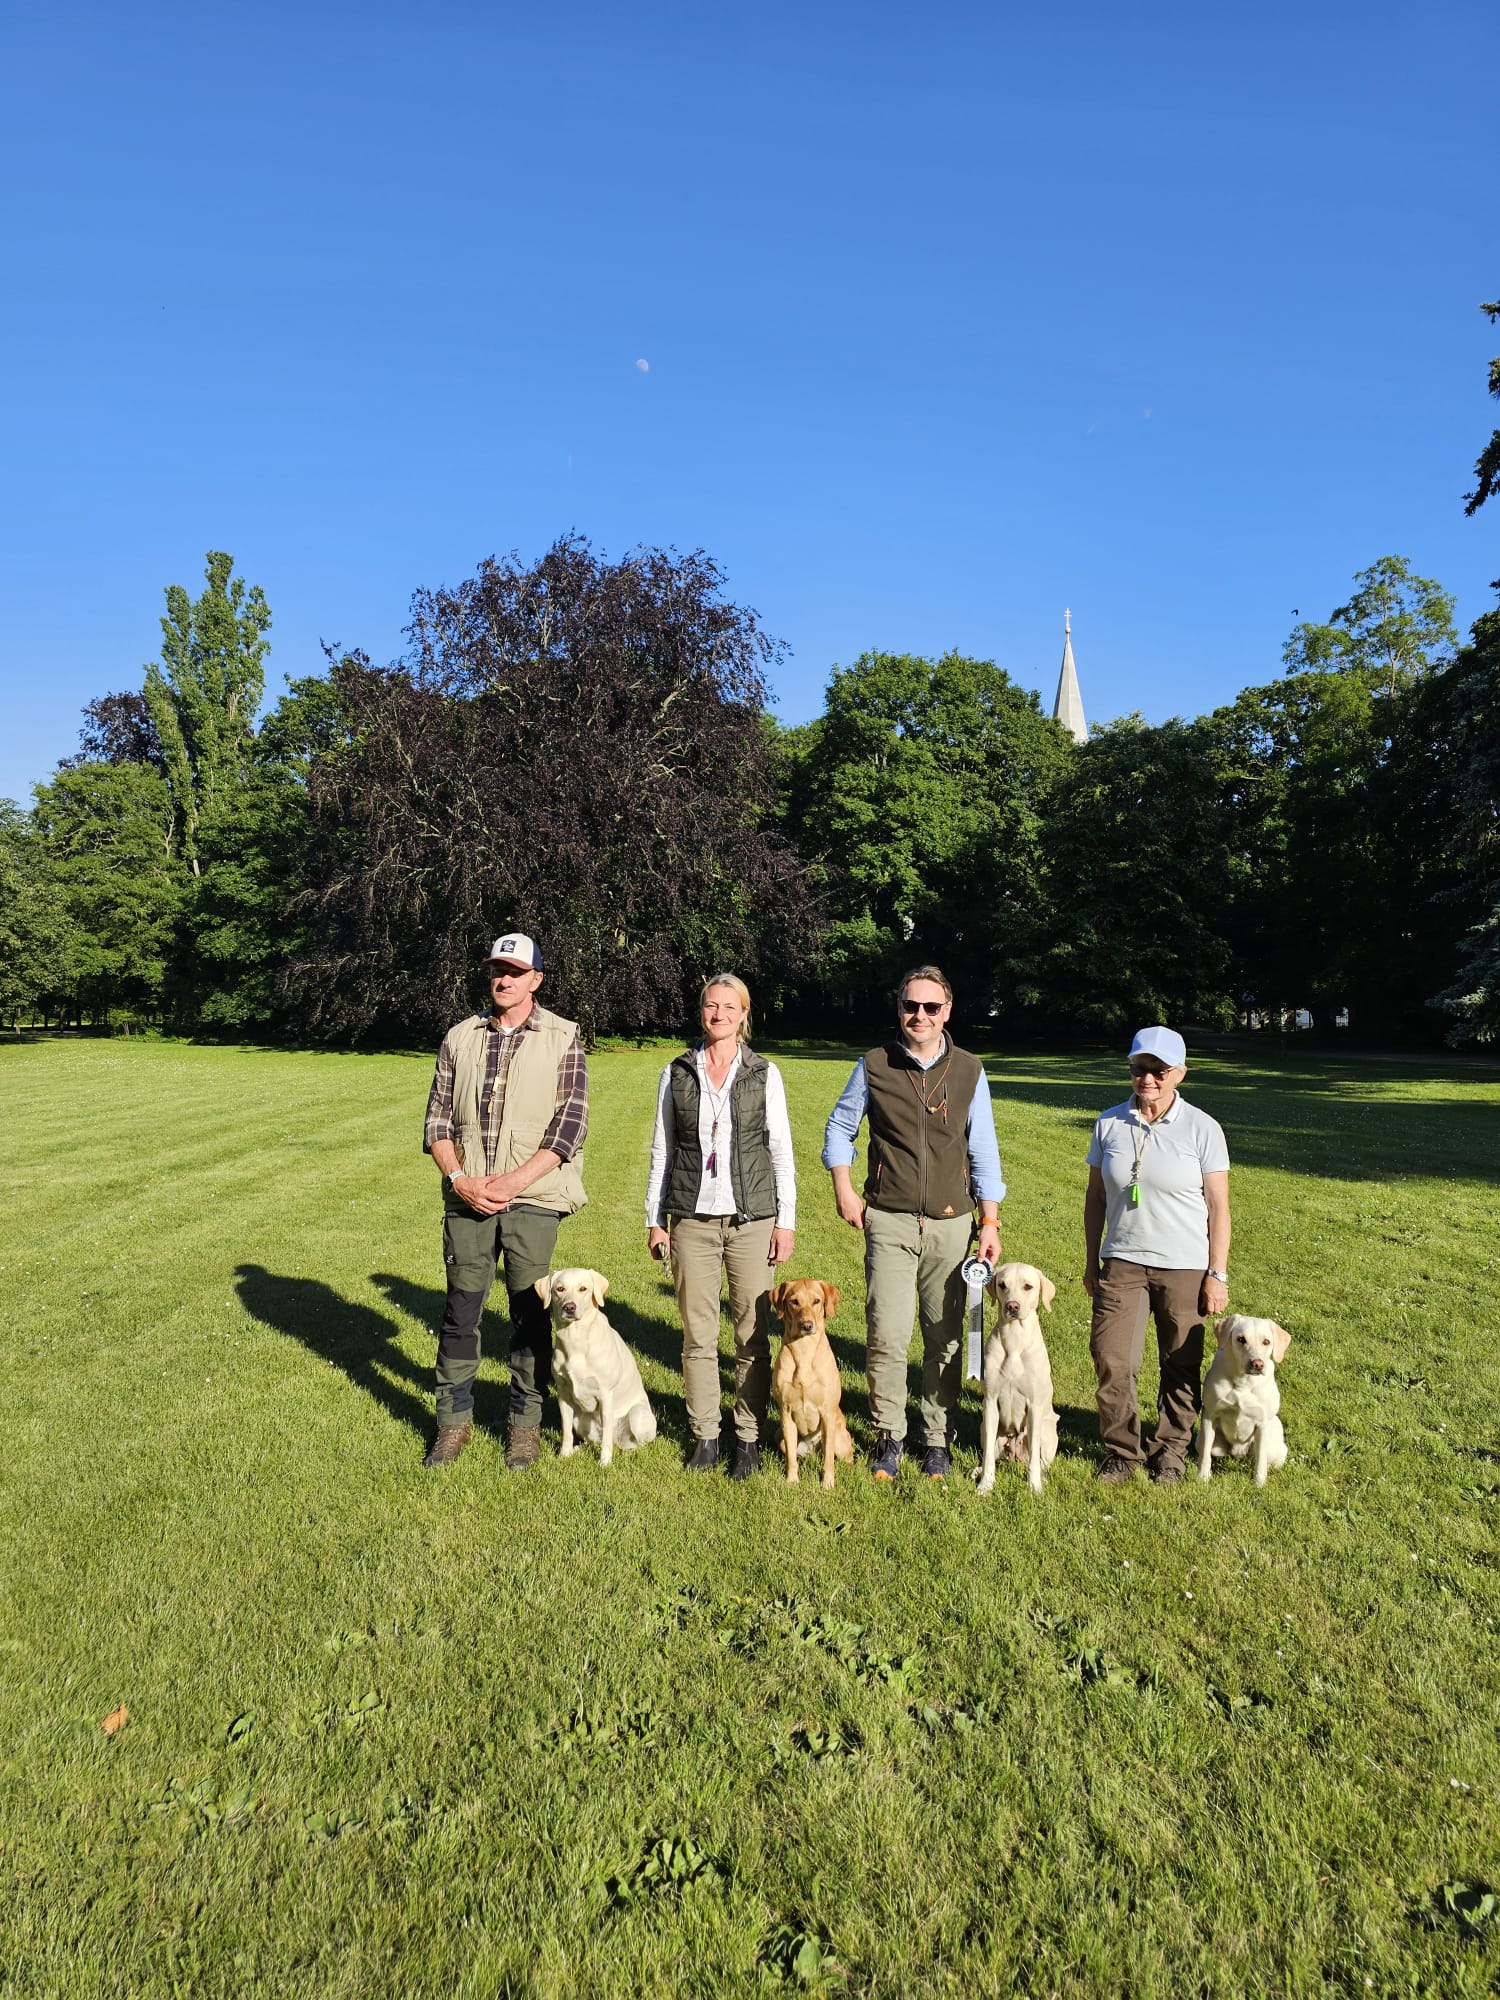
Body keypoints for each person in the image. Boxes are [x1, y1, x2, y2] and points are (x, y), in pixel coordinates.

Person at [822, 965, 1004, 1482]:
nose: (918, 1015)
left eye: (930, 1007)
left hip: (954, 1225)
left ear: (947, 1011)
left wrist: (989, 1221)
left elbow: (983, 1148)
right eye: (910, 1006)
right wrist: (844, 1188)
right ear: (898, 1008)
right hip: (889, 1220)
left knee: (945, 1336)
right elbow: (840, 1127)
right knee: (886, 1333)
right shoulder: (874, 1065)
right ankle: (889, 1435)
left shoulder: (970, 1070)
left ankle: (937, 1438)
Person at [421, 932, 589, 1470]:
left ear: (536, 979)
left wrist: (514, 1182)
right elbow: (436, 1123)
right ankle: (453, 1423)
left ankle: (525, 1425)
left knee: (530, 1317)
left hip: (533, 1200)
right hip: (467, 1199)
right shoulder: (459, 1038)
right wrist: (459, 1179)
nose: (504, 979)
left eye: (515, 971)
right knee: (460, 1312)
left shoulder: (563, 1038)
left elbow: (569, 1127)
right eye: (497, 969)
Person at [644, 973, 796, 1480]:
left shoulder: (763, 1074)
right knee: (697, 1335)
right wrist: (656, 1219)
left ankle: (748, 1439)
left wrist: (786, 1221)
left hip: (753, 1220)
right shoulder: (678, 1072)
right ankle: (705, 1435)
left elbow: (781, 1154)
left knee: (752, 1334)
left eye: (729, 1007)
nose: (719, 1014)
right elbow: (663, 1150)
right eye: (711, 1005)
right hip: (691, 1219)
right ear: (701, 1011)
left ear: (744, 1013)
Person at [1082, 1025, 1231, 1486]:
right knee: (1112, 1359)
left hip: (1185, 1264)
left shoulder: (1202, 1128)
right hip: (1121, 1259)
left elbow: (1219, 1207)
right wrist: (1091, 1261)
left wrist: (1217, 1274)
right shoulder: (1109, 1122)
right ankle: (1122, 1452)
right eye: (1139, 1068)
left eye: (1159, 1070)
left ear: (1179, 1074)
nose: (1147, 1079)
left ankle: (1170, 1451)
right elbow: (1095, 1199)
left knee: (1180, 1362)